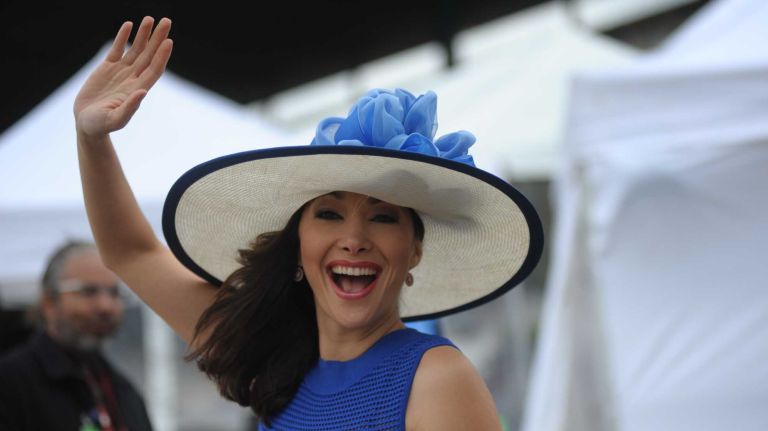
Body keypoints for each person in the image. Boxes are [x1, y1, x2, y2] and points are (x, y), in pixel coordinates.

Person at [72, 16, 543, 430]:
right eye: (330, 214)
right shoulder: (274, 359)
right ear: (298, 241)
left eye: (382, 217)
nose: (354, 239)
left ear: (414, 249)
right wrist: (91, 139)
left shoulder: (437, 381)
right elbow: (130, 254)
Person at [0, 241, 153, 431]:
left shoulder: (122, 389)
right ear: (49, 302)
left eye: (114, 293)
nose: (105, 306)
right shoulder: (11, 383)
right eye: (88, 291)